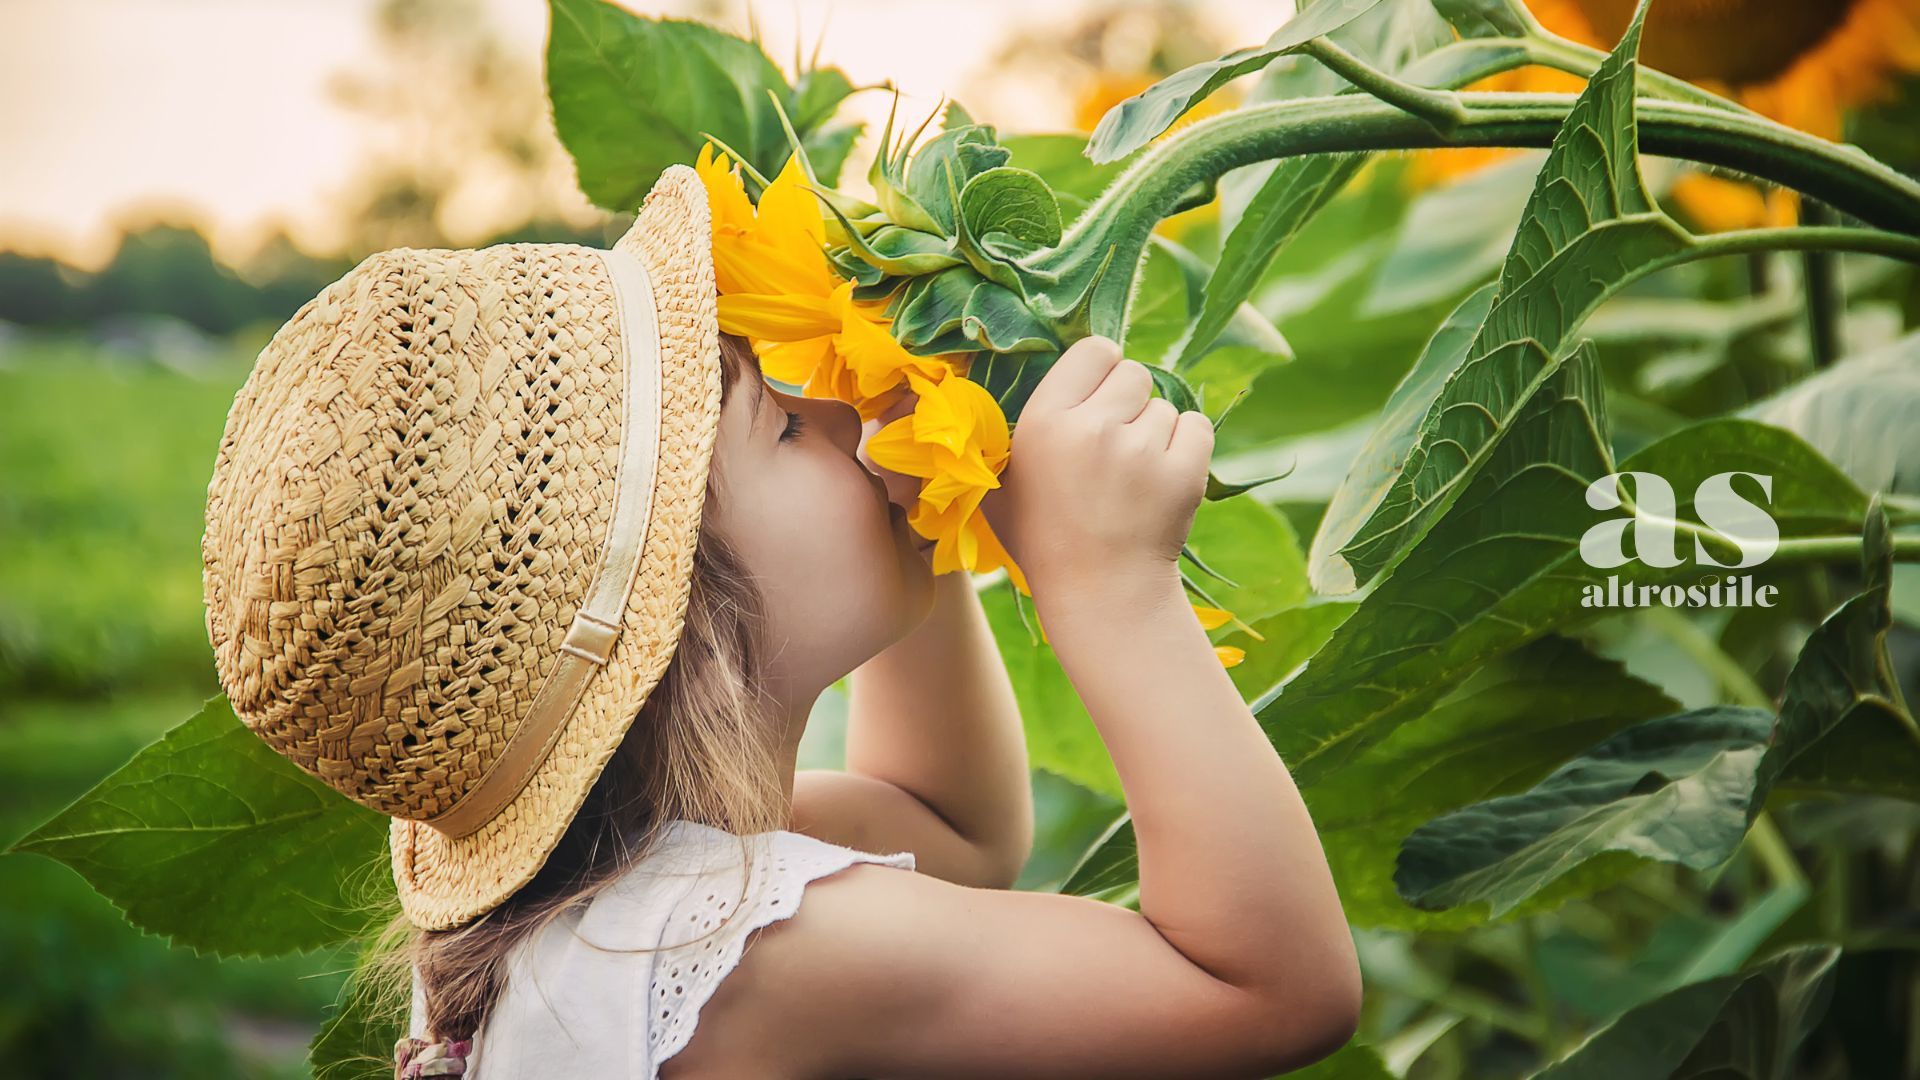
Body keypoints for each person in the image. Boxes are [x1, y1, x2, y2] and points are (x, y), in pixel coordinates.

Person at [200, 164, 1359, 1080]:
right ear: (690, 631)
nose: (840, 397)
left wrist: (922, 472)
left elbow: (950, 828)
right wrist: (1114, 589)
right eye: (789, 423)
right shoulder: (722, 956)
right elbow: (1268, 991)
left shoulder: (607, 905)